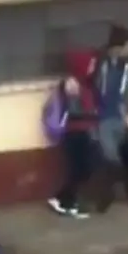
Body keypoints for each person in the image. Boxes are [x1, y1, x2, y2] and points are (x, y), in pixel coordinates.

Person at [47, 48, 99, 219]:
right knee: (79, 169)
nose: (93, 66)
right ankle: (66, 202)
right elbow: (76, 112)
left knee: (83, 169)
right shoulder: (72, 85)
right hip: (75, 134)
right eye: (90, 64)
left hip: (83, 132)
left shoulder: (85, 83)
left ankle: (62, 199)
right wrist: (94, 116)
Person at [93, 24, 128, 210]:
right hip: (103, 117)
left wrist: (127, 112)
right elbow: (94, 86)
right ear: (118, 46)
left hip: (120, 117)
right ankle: (108, 195)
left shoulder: (127, 65)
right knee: (109, 158)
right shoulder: (101, 63)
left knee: (125, 155)